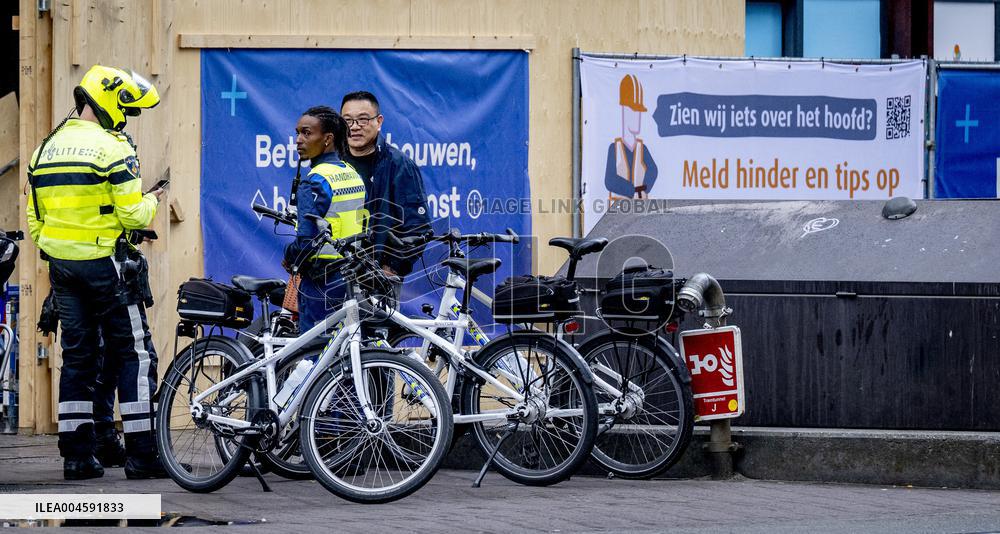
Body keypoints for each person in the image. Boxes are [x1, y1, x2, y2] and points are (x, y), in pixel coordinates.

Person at [26, 65, 166, 480]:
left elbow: (37, 223)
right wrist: (153, 200)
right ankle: (142, 455)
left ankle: (77, 457)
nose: (126, 119)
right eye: (127, 110)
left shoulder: (44, 150)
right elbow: (132, 214)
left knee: (78, 358)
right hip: (109, 265)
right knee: (135, 356)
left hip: (63, 268)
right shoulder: (113, 148)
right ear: (109, 101)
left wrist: (62, 249)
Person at [283, 106, 367, 332]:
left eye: (307, 133)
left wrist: (290, 256)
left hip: (321, 282)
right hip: (350, 276)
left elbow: (307, 242)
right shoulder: (351, 173)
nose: (299, 140)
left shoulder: (314, 181)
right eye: (297, 133)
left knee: (315, 354)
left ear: (328, 138)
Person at [340, 92, 430, 282]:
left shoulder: (399, 165)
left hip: (376, 281)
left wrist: (390, 269)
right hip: (331, 276)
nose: (354, 127)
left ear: (379, 121)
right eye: (347, 120)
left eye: (363, 120)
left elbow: (418, 229)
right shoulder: (330, 164)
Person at [605, 74, 658, 199]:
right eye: (634, 110)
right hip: (617, 215)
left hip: (638, 216)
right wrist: (632, 191)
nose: (638, 116)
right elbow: (609, 180)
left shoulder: (642, 149)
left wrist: (642, 190)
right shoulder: (614, 148)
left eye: (639, 112)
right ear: (624, 110)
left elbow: (653, 171)